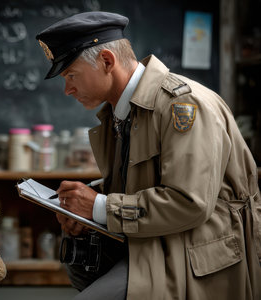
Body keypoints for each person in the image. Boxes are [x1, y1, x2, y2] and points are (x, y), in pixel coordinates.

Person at [35, 11, 261, 300]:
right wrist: (81, 210)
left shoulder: (183, 105)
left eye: (71, 75)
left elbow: (189, 202)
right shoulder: (122, 113)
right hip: (152, 248)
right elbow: (140, 186)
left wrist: (99, 207)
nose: (67, 90)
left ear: (107, 61)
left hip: (193, 261)